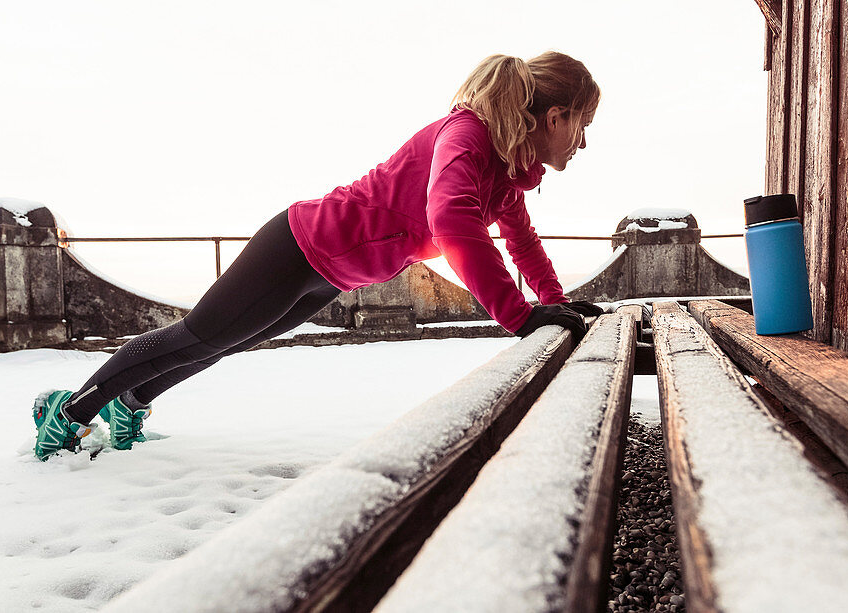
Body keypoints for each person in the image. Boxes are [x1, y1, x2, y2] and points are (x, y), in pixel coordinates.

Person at [32, 52, 604, 460]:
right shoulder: (468, 135)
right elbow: (451, 221)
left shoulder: (503, 168)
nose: (582, 143)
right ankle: (70, 411)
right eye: (584, 126)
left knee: (227, 341)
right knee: (201, 334)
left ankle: (129, 400)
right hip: (298, 245)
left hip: (329, 273)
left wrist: (555, 302)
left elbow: (521, 238)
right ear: (556, 117)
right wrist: (520, 315)